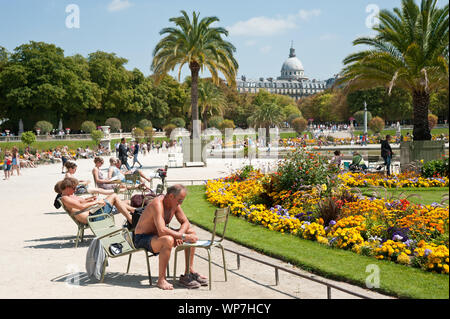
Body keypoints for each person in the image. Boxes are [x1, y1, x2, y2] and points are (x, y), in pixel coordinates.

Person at [134, 184, 207, 290]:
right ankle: (161, 280)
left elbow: (185, 222)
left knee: (191, 232)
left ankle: (188, 272)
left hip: (157, 236)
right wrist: (182, 236)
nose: (181, 203)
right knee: (168, 240)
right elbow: (162, 230)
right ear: (171, 196)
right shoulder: (157, 204)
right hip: (142, 238)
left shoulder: (174, 204)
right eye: (180, 200)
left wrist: (181, 235)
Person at [58, 177, 134, 225]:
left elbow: (82, 202)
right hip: (91, 218)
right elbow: (81, 207)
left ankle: (132, 211)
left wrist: (90, 199)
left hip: (92, 213)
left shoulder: (69, 196)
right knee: (114, 196)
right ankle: (131, 218)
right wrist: (96, 202)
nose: (75, 190)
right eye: (73, 188)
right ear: (67, 188)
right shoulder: (65, 198)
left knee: (123, 201)